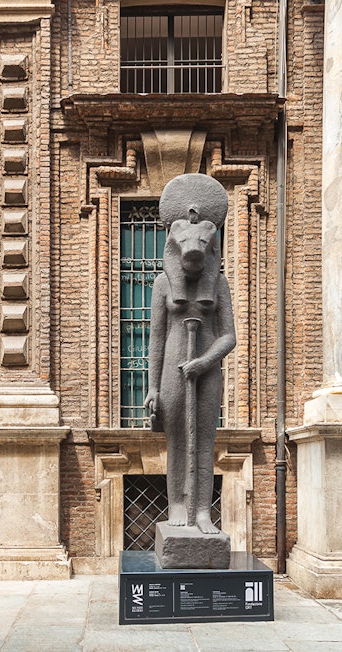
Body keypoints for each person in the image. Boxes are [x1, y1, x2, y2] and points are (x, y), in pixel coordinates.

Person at [144, 174, 236, 534]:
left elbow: (228, 336)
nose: (192, 268)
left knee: (204, 443)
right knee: (177, 443)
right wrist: (152, 388)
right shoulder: (163, 283)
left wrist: (204, 362)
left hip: (206, 373)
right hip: (171, 373)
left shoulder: (221, 283)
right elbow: (155, 339)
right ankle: (178, 507)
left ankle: (202, 512)